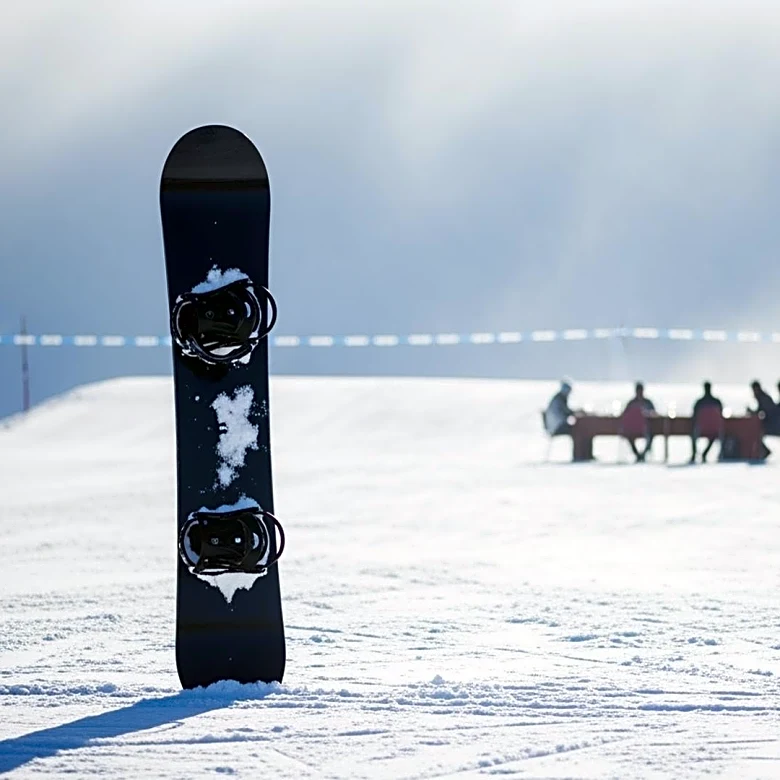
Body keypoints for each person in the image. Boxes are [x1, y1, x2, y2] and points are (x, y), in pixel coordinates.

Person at [621, 381, 657, 462]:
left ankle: (642, 455)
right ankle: (639, 455)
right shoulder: (633, 403)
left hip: (644, 429)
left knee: (651, 435)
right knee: (631, 436)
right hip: (635, 429)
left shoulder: (638, 403)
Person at [690, 381, 723, 463]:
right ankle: (705, 453)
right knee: (714, 436)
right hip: (714, 429)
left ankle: (694, 454)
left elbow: (694, 416)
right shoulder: (717, 402)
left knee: (693, 434)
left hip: (701, 428)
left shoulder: (699, 402)